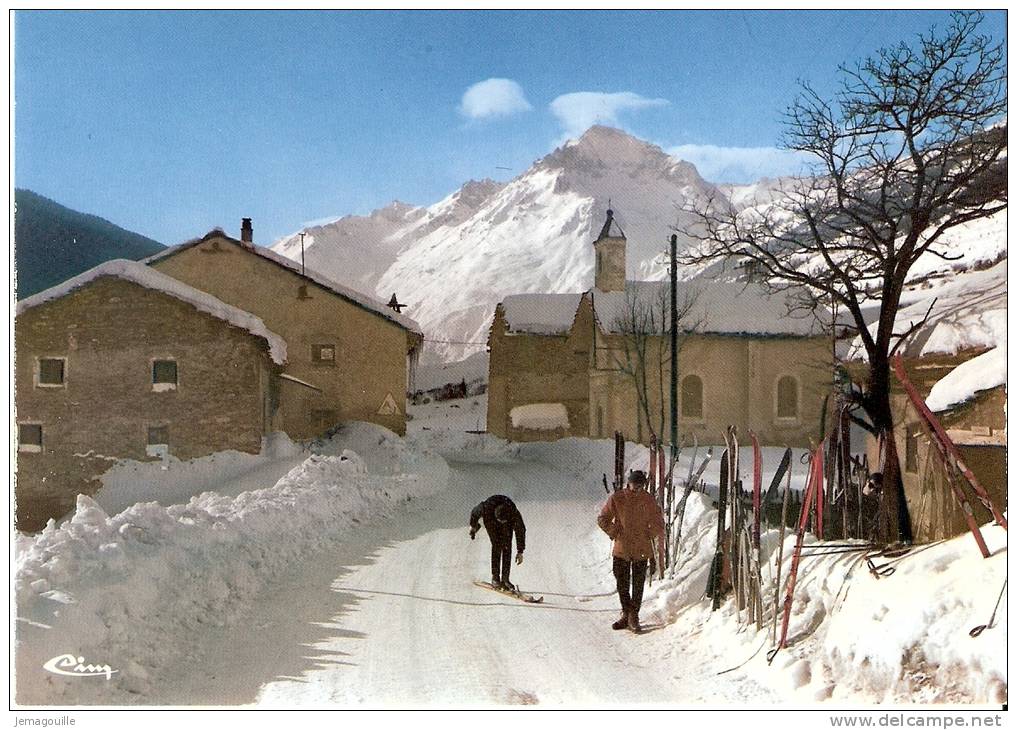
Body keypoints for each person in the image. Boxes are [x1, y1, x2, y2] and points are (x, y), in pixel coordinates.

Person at [597, 469, 665, 632]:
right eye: (635, 485)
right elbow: (602, 519)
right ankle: (626, 613)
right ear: (629, 483)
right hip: (622, 548)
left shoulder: (648, 500)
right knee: (622, 583)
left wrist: (648, 534)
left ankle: (634, 615)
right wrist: (615, 532)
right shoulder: (618, 498)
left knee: (638, 584)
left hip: (641, 548)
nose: (637, 489)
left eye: (640, 486)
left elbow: (658, 522)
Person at [469, 494, 526, 591]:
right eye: (500, 521)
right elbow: (474, 513)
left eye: (503, 521)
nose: (501, 523)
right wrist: (473, 526)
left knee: (507, 546)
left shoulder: (513, 513)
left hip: (507, 522)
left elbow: (520, 530)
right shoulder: (486, 507)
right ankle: (495, 577)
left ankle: (505, 579)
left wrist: (520, 551)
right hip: (491, 521)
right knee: (497, 545)